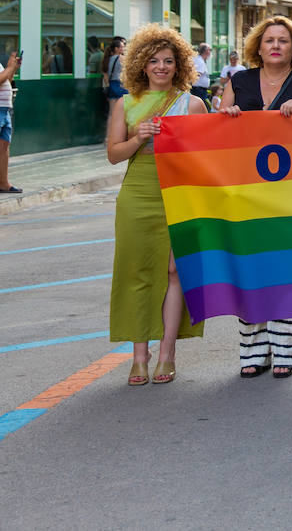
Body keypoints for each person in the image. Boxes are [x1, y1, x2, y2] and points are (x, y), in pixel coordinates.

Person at [220, 16, 292, 378]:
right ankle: (253, 352)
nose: (275, 46)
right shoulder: (237, 83)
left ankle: (286, 350)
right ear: (257, 46)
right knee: (249, 268)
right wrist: (226, 117)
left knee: (287, 269)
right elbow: (216, 133)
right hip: (245, 192)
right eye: (269, 40)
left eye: (283, 40)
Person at [105, 26, 207, 385]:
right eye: (154, 61)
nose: (161, 67)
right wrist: (139, 137)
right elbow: (113, 155)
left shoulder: (193, 104)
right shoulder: (125, 104)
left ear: (179, 66)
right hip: (138, 192)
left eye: (168, 61)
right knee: (138, 271)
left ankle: (167, 353)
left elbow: (209, 156)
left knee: (175, 271)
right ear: (141, 65)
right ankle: (139, 356)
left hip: (180, 191)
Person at [0, 51, 20, 194]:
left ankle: (3, 183)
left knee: (4, 146)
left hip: (5, 109)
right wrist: (10, 67)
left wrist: (12, 68)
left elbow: (7, 80)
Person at [101, 37, 128, 111]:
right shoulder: (122, 58)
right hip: (120, 85)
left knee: (111, 112)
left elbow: (105, 75)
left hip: (111, 85)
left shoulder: (107, 59)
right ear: (116, 48)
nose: (124, 48)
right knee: (123, 111)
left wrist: (108, 85)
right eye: (122, 47)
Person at [190, 42, 212, 109]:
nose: (210, 52)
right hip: (198, 90)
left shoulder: (200, 60)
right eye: (210, 50)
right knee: (201, 108)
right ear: (206, 51)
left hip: (199, 89)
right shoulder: (199, 61)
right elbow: (196, 75)